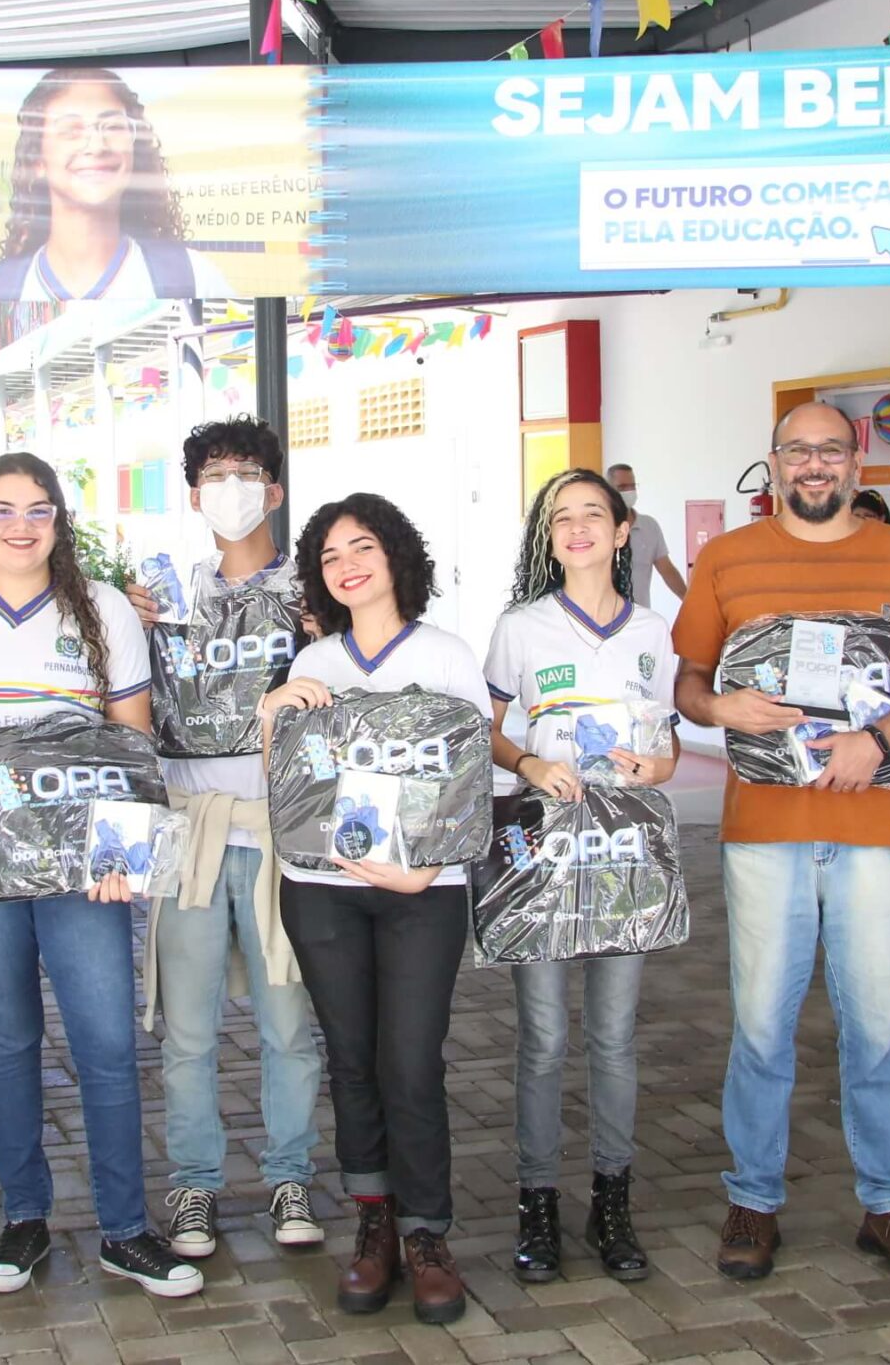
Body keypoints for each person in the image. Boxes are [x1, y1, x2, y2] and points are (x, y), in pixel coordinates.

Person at [672, 401, 890, 1285]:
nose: (815, 464)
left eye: (832, 451)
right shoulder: (729, 559)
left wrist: (878, 743)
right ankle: (753, 1201)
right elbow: (691, 679)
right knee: (762, 1024)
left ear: (858, 465)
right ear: (772, 463)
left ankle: (888, 1205)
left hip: (879, 826)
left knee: (876, 1024)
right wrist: (717, 706)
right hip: (767, 828)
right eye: (799, 451)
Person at [0, 452, 205, 1299]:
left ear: (59, 520)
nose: (21, 525)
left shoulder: (105, 607)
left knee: (107, 1043)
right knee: (8, 1040)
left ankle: (124, 1229)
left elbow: (132, 742)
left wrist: (125, 855)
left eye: (38, 509)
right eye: (3, 510)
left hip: (82, 869)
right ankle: (23, 1218)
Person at [260, 494, 489, 1326]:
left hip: (423, 895)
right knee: (352, 1058)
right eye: (329, 555)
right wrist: (272, 713)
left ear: (395, 554)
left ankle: (429, 1232)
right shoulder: (313, 662)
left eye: (363, 546)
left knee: (410, 1058)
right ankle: (375, 1223)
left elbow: (472, 788)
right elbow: (289, 787)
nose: (348, 563)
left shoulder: (447, 656)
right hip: (322, 891)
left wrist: (421, 873)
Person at [122, 419, 325, 1258]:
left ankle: (289, 1179)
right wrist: (128, 619)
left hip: (281, 834)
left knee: (287, 1022)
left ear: (274, 490)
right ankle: (195, 1188)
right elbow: (129, 700)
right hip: (189, 833)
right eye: (214, 474)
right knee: (188, 1028)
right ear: (194, 492)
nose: (232, 487)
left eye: (248, 473)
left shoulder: (315, 592)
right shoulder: (165, 595)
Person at [482, 468, 678, 1286]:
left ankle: (611, 1199)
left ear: (623, 529)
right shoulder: (520, 628)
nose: (577, 528)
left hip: (624, 855)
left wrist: (651, 765)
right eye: (561, 517)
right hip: (541, 854)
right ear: (549, 535)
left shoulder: (652, 633)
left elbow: (666, 749)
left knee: (613, 1037)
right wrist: (529, 759)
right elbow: (485, 731)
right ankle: (536, 1205)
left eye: (592, 514)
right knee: (546, 1038)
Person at [0, 68, 236, 302]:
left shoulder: (194, 277)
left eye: (112, 126)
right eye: (71, 130)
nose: (97, 145)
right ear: (37, 161)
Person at [605, 465, 688, 610]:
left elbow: (667, 570)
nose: (629, 492)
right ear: (608, 490)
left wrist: (688, 599)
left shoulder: (649, 526)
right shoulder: (599, 528)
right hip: (602, 620)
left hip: (640, 617)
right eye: (622, 487)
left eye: (632, 486)